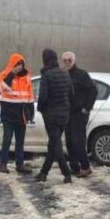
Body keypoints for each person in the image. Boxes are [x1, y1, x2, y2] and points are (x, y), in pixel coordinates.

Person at [35, 48, 73, 184]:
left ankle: (67, 173)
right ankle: (43, 173)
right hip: (64, 114)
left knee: (56, 145)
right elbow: (71, 94)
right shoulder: (65, 73)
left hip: (51, 115)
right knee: (53, 143)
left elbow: (43, 97)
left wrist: (41, 109)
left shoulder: (47, 75)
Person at [0, 53, 35, 174]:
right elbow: (4, 88)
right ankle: (3, 164)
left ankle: (20, 164)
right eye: (17, 64)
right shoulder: (3, 75)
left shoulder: (26, 77)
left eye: (21, 64)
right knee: (7, 139)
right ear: (12, 64)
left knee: (20, 141)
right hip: (8, 112)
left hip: (21, 113)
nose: (20, 66)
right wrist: (12, 73)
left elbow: (30, 95)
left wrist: (31, 111)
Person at [62, 52, 95, 177]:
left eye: (69, 60)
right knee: (69, 141)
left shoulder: (82, 74)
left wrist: (87, 108)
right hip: (67, 113)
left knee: (78, 141)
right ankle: (75, 167)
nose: (67, 62)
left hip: (79, 113)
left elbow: (93, 91)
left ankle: (86, 167)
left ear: (74, 61)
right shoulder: (63, 74)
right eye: (65, 60)